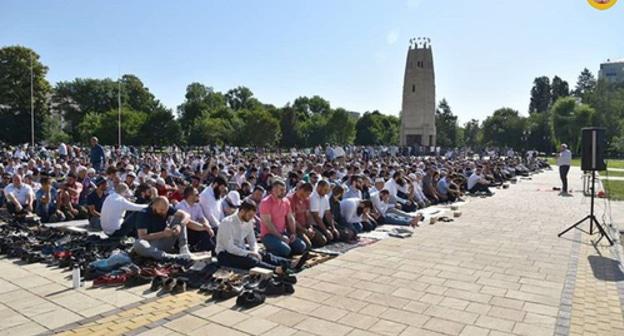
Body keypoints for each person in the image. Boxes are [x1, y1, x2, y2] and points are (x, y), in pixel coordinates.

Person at [216, 200, 293, 271]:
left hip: (241, 249)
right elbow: (230, 248)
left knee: (264, 255)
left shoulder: (248, 221)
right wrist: (248, 253)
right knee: (251, 261)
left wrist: (255, 252)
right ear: (242, 211)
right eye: (250, 215)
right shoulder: (227, 223)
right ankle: (275, 269)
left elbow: (252, 241)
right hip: (225, 254)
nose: (251, 218)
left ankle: (289, 263)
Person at [259, 180, 307, 258]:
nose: (283, 192)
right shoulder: (265, 203)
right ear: (274, 190)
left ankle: (280, 249)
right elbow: (268, 223)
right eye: (281, 190)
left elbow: (290, 218)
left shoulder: (286, 201)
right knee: (285, 250)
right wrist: (280, 237)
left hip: (283, 232)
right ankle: (267, 253)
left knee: (301, 246)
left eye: (284, 189)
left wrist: (293, 233)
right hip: (268, 235)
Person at [176, 186, 216, 253]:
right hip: (185, 231)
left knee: (215, 229)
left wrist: (207, 225)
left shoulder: (197, 205)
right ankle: (208, 249)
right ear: (190, 196)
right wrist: (206, 228)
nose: (199, 196)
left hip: (196, 228)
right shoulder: (181, 206)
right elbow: (188, 223)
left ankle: (213, 248)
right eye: (197, 195)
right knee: (205, 233)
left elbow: (202, 218)